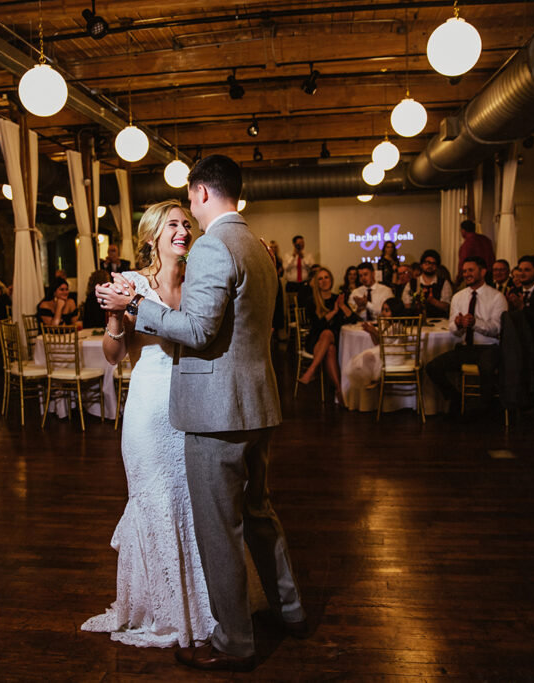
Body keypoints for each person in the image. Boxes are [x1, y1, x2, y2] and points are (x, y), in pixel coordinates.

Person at [96, 155, 306, 672]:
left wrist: (135, 307)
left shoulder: (215, 246)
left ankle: (235, 641)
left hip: (217, 413)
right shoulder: (258, 248)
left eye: (189, 202)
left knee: (219, 528)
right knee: (258, 513)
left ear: (201, 192)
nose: (187, 217)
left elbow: (198, 331)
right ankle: (291, 610)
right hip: (256, 404)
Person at [81, 200, 215, 649]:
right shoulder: (131, 283)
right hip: (148, 409)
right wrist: (117, 316)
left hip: (193, 407)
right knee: (154, 500)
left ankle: (201, 604)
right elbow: (114, 355)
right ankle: (159, 607)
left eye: (186, 223)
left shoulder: (199, 279)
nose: (183, 230)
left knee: (193, 503)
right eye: (173, 225)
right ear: (152, 235)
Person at [426, 256, 507, 413]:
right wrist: (457, 325)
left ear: (483, 272)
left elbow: (497, 328)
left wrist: (475, 323)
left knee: (486, 368)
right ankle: (455, 397)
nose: (466, 274)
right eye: (464, 271)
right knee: (432, 367)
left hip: (489, 348)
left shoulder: (497, 297)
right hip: (466, 348)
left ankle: (486, 411)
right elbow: (453, 331)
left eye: (471, 270)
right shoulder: (458, 297)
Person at [299, 266, 356, 405]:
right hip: (315, 340)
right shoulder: (312, 301)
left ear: (331, 280)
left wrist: (342, 307)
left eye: (326, 277)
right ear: (316, 283)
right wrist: (334, 311)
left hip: (335, 340)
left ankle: (311, 370)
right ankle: (338, 389)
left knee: (330, 342)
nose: (324, 281)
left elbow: (353, 320)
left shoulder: (338, 299)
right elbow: (318, 325)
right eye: (320, 279)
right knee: (326, 335)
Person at [402, 249, 453, 318]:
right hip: (417, 322)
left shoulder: (444, 283)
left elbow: (447, 307)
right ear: (421, 265)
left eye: (433, 264)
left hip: (438, 322)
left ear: (437, 267)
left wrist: (432, 300)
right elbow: (406, 305)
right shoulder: (412, 283)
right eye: (427, 263)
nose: (430, 266)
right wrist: (417, 301)